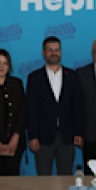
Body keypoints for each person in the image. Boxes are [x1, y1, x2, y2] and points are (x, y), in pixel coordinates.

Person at [26, 36, 81, 175]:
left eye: (56, 50)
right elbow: (31, 109)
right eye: (50, 50)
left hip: (67, 136)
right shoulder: (35, 78)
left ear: (61, 52)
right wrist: (32, 136)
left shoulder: (72, 76)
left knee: (66, 176)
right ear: (43, 52)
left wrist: (78, 133)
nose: (53, 53)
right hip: (42, 138)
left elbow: (77, 107)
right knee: (44, 177)